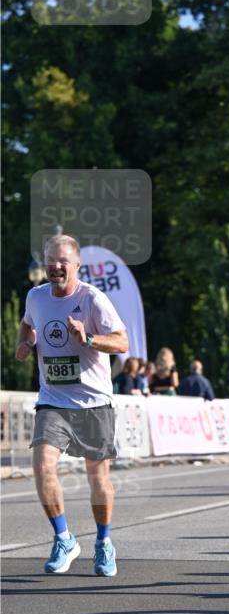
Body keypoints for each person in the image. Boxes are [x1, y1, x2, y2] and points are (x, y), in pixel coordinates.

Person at [15, 234, 128, 576]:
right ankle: (64, 537)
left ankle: (104, 542)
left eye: (63, 261)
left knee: (98, 477)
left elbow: (122, 341)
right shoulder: (36, 296)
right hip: (53, 399)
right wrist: (24, 342)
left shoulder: (93, 299)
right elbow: (27, 325)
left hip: (94, 401)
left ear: (77, 266)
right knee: (42, 464)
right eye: (51, 260)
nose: (56, 266)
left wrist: (89, 339)